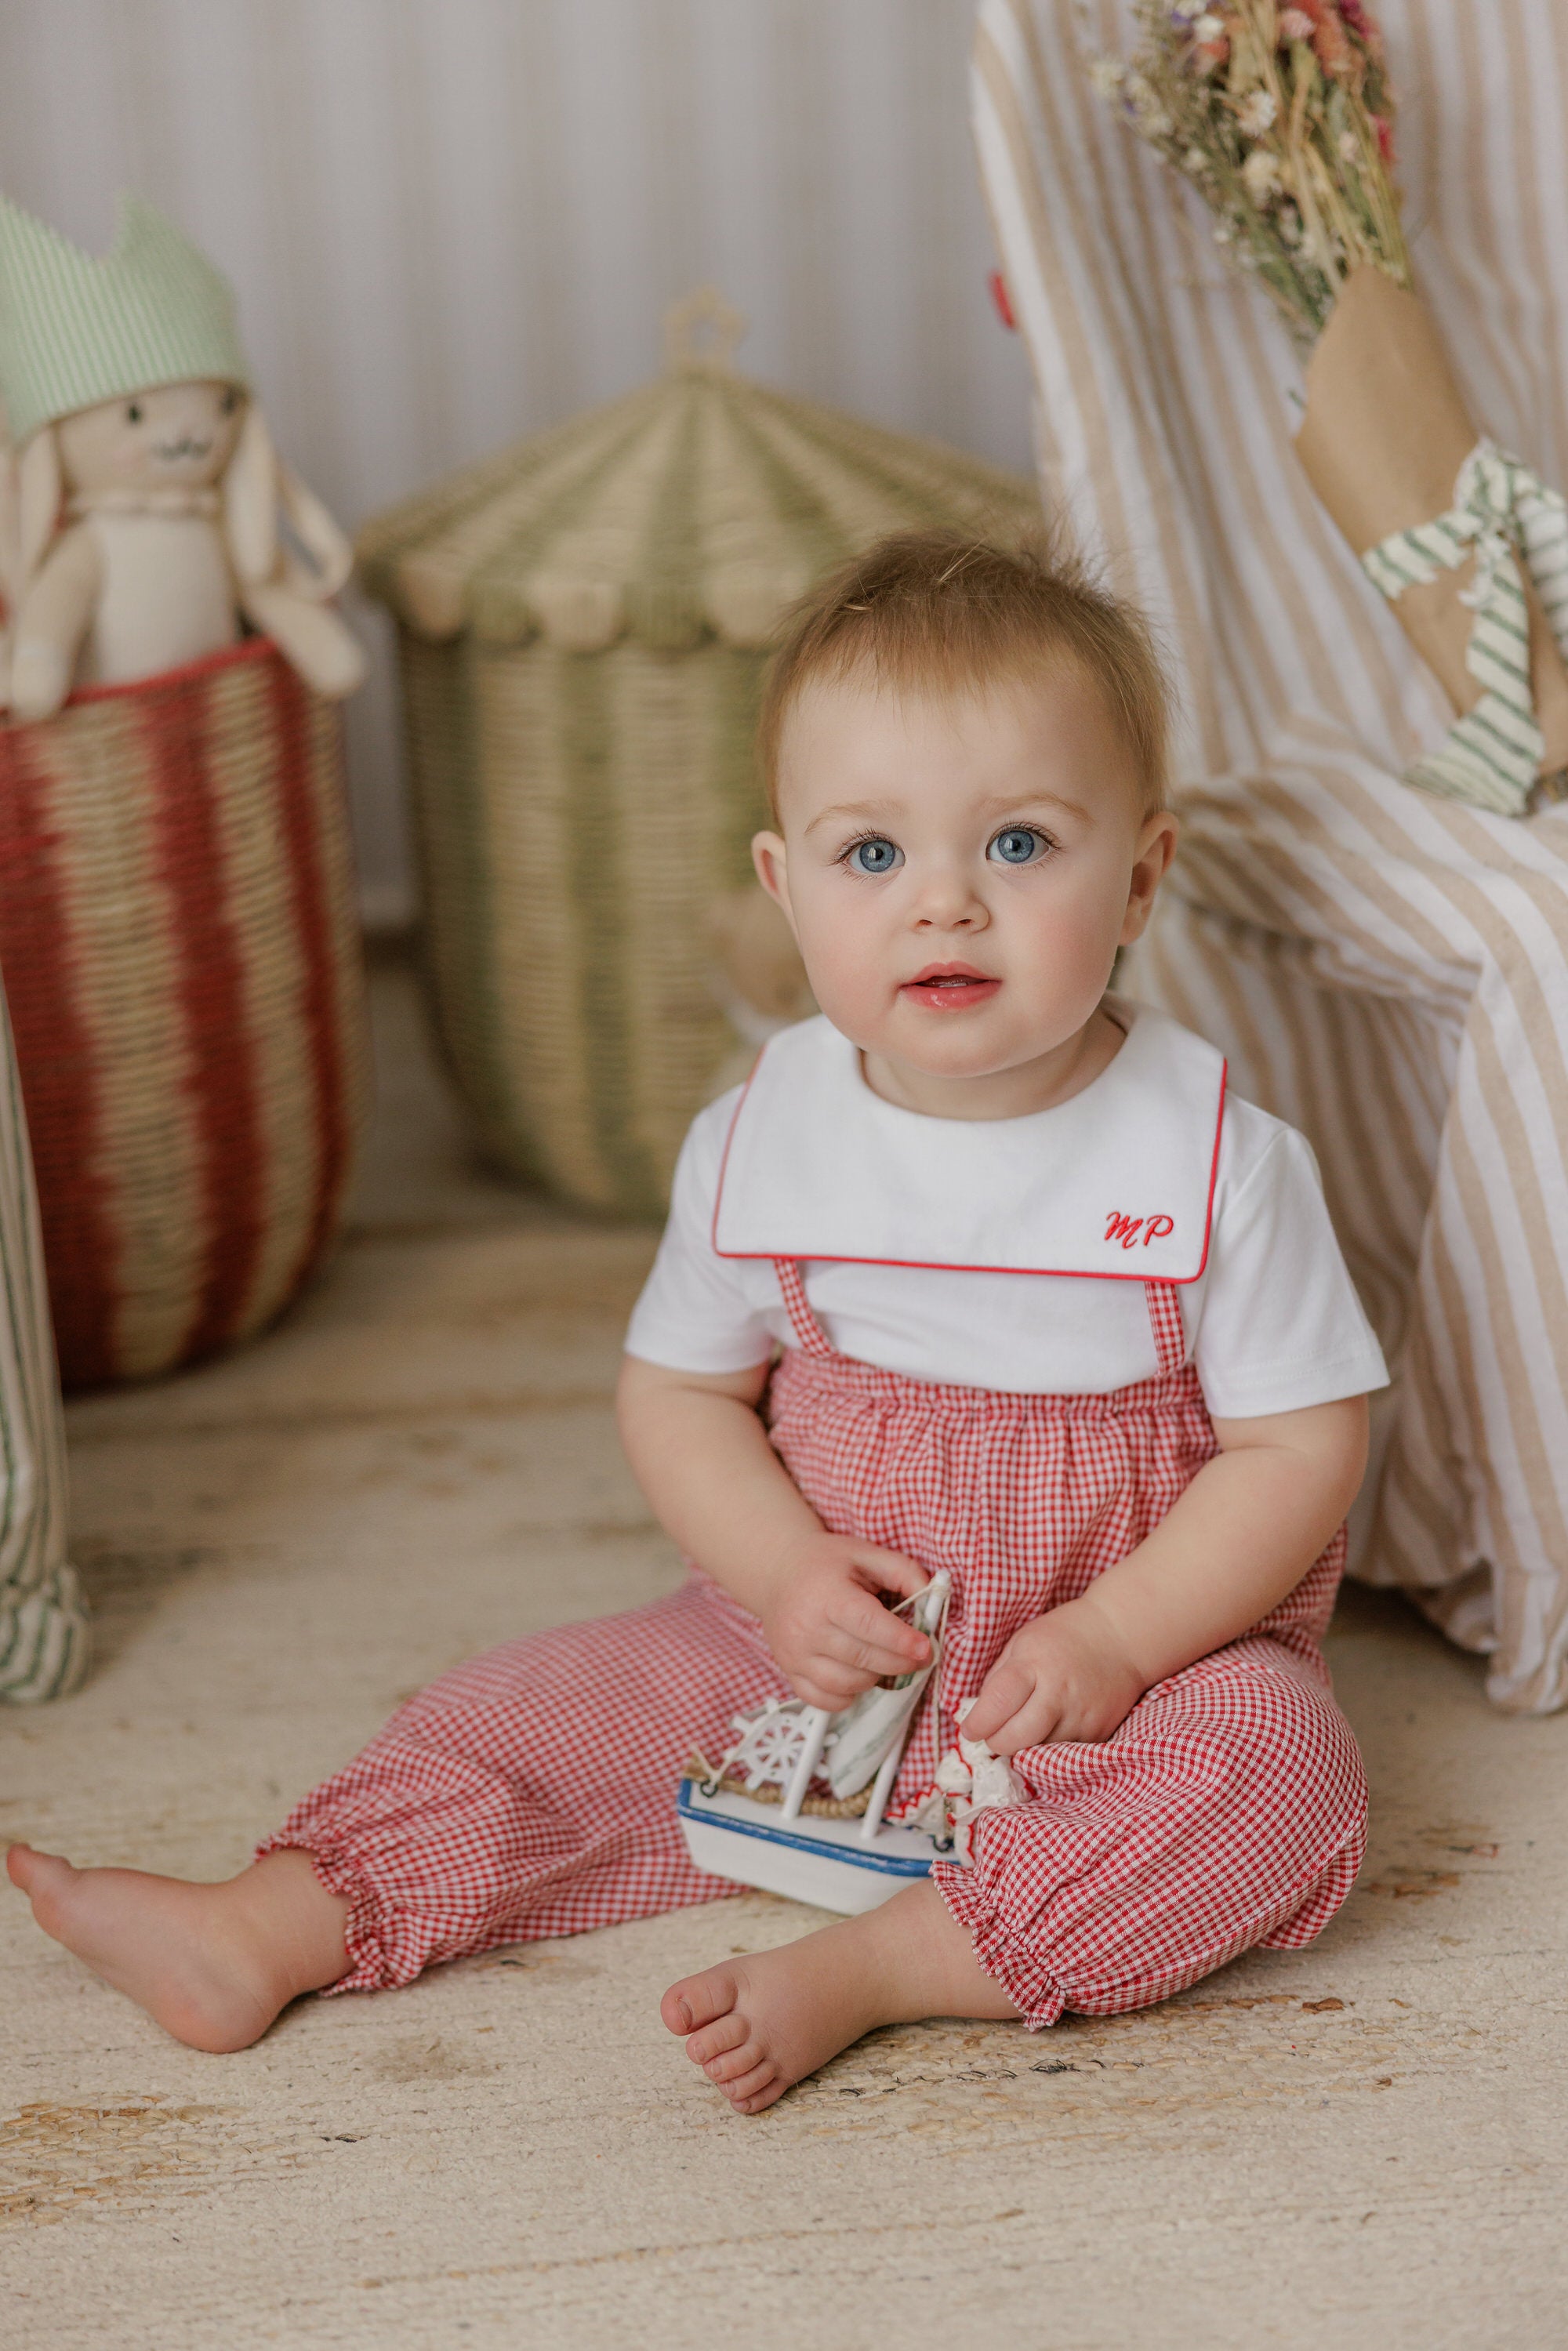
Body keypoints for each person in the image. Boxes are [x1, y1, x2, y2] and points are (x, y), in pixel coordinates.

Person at [8, 531, 1387, 2113]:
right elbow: (679, 1397)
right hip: (805, 1634)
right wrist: (782, 1573)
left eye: (1018, 845)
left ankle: (901, 1961)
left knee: (1277, 1769)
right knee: (538, 1715)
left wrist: (1120, 1636)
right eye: (871, 856)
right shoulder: (763, 1141)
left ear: (1139, 874)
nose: (943, 901)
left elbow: (1296, 1447)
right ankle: (277, 1920)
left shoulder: (1214, 1160)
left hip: (1130, 1657)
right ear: (782, 884)